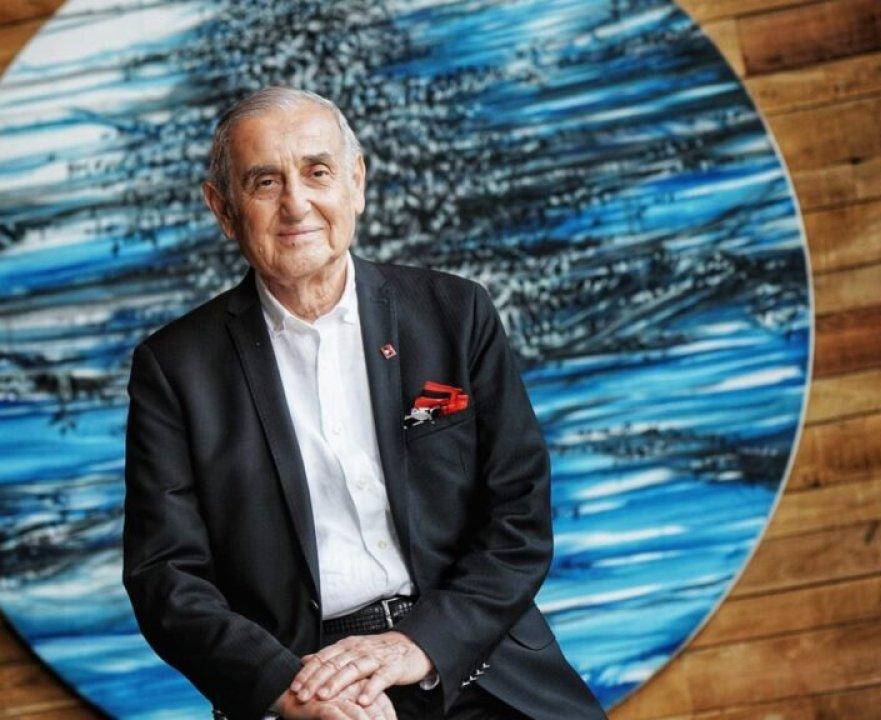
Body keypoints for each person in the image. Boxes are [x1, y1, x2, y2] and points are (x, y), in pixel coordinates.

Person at [122, 85, 606, 720]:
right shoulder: (173, 369)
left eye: (317, 172)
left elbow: (519, 514)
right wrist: (289, 689)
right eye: (265, 182)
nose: (296, 204)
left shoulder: (456, 313)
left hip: (474, 657)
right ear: (223, 208)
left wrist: (418, 644)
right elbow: (165, 577)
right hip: (305, 677)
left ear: (357, 182)